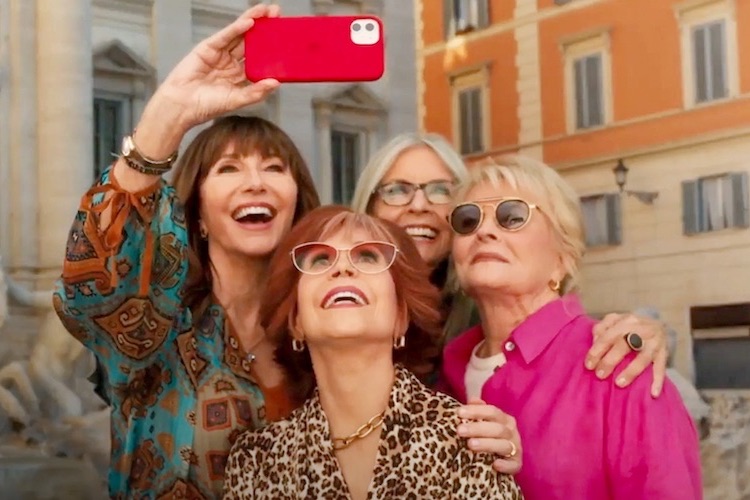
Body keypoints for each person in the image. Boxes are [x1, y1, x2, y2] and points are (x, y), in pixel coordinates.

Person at [53, 6, 518, 497]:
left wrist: (497, 439)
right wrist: (171, 111)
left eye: (274, 167)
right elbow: (91, 286)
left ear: (297, 198)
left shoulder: (339, 330)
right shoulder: (158, 327)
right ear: (199, 211)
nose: (255, 183)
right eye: (229, 169)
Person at [440, 156, 702, 499]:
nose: (484, 230)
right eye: (468, 219)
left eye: (512, 216)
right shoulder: (443, 377)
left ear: (562, 258)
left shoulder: (620, 368)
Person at [223, 206, 522, 499]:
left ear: (402, 315)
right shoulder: (257, 460)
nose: (342, 268)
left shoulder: (469, 442)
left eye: (367, 257)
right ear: (296, 321)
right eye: (319, 260)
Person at [350, 133, 671, 398]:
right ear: (368, 208)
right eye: (396, 191)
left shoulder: (485, 321)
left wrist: (645, 334)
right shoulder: (332, 304)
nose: (418, 205)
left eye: (440, 191)